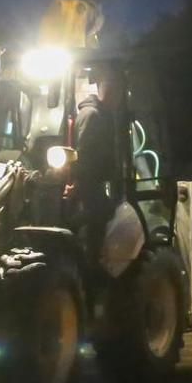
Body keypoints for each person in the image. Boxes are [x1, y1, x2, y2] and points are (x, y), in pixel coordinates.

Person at [70, 64, 123, 265]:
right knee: (98, 220)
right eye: (115, 88)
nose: (118, 96)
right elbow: (83, 154)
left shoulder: (102, 114)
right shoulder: (93, 115)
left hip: (95, 182)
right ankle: (93, 271)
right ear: (103, 86)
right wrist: (78, 182)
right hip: (90, 185)